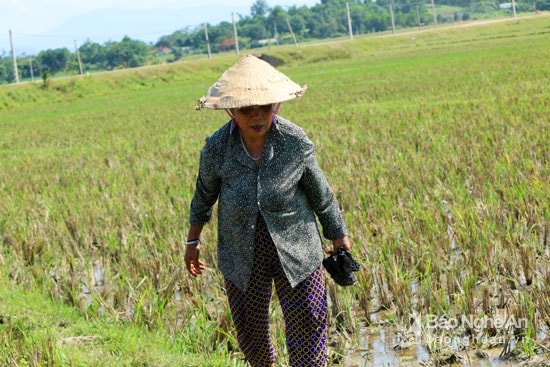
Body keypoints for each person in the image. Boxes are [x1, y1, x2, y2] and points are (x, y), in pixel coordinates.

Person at [184, 54, 351, 367]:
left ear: (277, 106)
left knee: (308, 323)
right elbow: (203, 196)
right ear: (232, 110)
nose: (256, 115)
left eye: (265, 107)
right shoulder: (217, 147)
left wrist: (338, 236)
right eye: (247, 109)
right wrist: (192, 242)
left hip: (296, 248)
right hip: (241, 252)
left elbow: (320, 194)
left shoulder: (294, 141)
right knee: (251, 335)